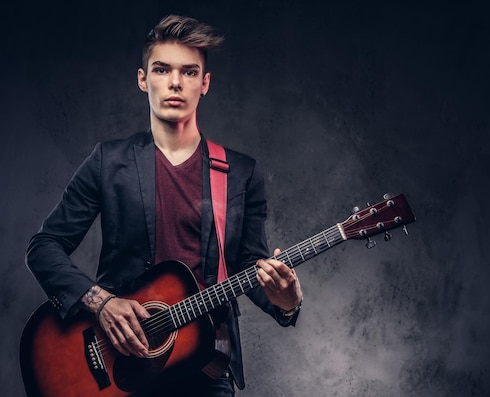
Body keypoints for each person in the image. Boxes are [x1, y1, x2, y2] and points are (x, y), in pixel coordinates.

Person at [25, 14, 303, 397]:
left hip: (205, 365)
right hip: (119, 360)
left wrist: (284, 303)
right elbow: (44, 247)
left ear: (205, 84)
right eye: (162, 69)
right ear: (143, 79)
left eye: (189, 72)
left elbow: (247, 265)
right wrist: (102, 303)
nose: (175, 82)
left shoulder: (240, 173)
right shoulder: (109, 161)